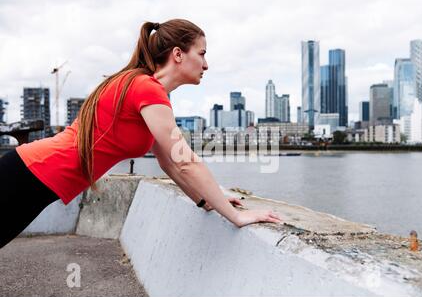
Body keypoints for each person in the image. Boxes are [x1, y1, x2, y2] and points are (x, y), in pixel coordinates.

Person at [0, 19, 282, 249]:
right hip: (31, 172)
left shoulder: (145, 90)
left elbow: (170, 163)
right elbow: (186, 160)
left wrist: (206, 200)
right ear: (178, 54)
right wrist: (235, 216)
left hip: (35, 175)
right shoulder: (145, 88)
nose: (207, 64)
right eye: (203, 53)